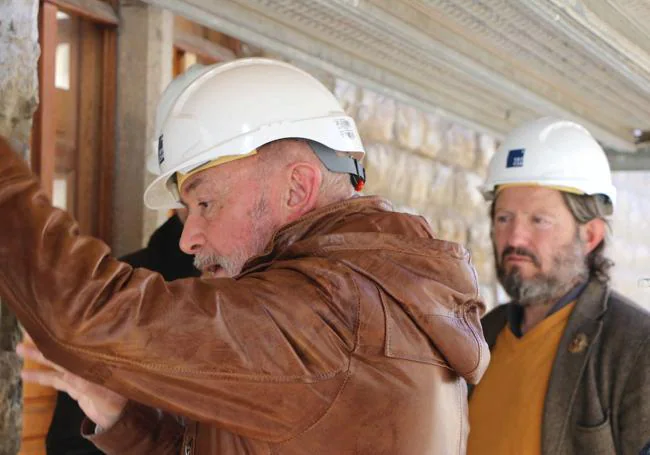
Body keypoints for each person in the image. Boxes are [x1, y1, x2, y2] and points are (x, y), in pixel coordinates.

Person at [0, 58, 489, 454]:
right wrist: (125, 419)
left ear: (297, 187)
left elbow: (84, 316)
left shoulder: (330, 314)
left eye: (206, 203)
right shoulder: (362, 303)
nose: (188, 238)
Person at [467, 117, 650, 455]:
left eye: (539, 220)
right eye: (504, 218)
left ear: (590, 235)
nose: (514, 238)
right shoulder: (482, 335)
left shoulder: (636, 347)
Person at [45, 210, 198, 455]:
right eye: (201, 203)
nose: (195, 233)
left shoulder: (258, 298)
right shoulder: (119, 292)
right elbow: (69, 444)